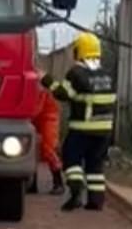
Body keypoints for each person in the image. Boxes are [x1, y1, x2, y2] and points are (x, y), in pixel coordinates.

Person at [41, 32, 116, 212]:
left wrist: (46, 80)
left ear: (79, 51)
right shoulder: (107, 74)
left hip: (82, 129)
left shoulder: (76, 73)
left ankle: (76, 192)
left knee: (71, 158)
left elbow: (63, 94)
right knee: (95, 165)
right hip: (105, 130)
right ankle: (96, 201)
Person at [28, 81, 64, 196]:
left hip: (48, 117)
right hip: (33, 116)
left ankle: (58, 182)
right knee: (30, 149)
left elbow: (36, 108)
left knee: (48, 148)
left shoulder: (38, 84)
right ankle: (32, 184)